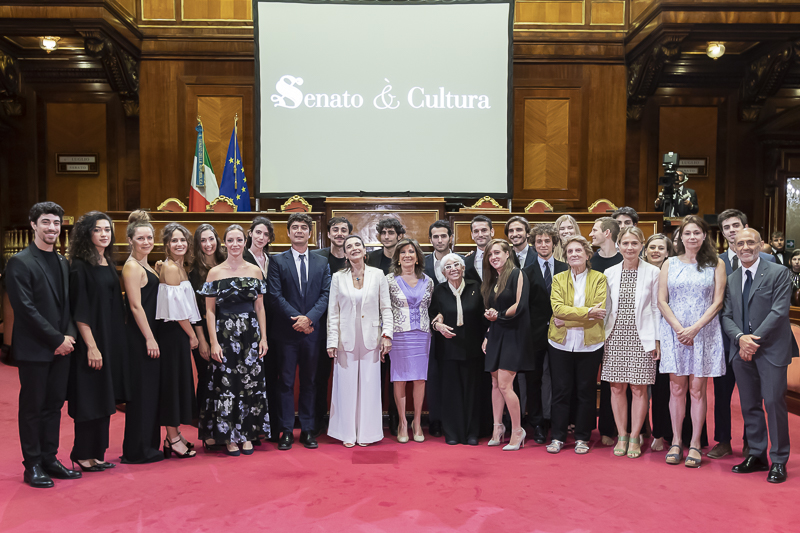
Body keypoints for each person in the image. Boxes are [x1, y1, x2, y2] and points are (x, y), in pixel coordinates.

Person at [5, 202, 82, 488]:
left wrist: (68, 338)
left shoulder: (62, 262)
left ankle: (50, 458)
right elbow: (25, 310)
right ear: (34, 225)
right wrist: (56, 339)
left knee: (53, 407)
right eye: (46, 222)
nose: (52, 228)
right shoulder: (20, 262)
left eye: (56, 223)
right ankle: (33, 464)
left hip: (62, 348)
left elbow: (68, 306)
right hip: (35, 349)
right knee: (33, 407)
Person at [722, 228, 797, 483]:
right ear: (734, 246)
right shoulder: (732, 278)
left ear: (760, 245)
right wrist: (740, 339)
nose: (745, 247)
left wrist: (752, 341)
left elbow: (779, 312)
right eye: (740, 243)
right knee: (749, 404)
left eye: (750, 242)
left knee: (774, 402)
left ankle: (778, 459)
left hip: (771, 349)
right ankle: (757, 453)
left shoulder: (778, 272)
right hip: (741, 349)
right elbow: (727, 316)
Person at [658, 215, 726, 468]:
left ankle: (695, 443)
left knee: (697, 390)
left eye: (697, 232)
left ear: (704, 236)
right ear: (680, 237)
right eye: (687, 233)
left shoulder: (715, 263)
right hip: (675, 333)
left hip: (703, 332)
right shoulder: (670, 263)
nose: (692, 237)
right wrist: (678, 329)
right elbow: (662, 300)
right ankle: (676, 441)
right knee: (676, 389)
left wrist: (694, 329)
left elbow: (718, 302)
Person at [709, 209, 775, 460]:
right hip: (725, 339)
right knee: (722, 394)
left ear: (745, 226)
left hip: (758, 342)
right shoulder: (716, 262)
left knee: (752, 395)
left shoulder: (769, 261)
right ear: (723, 233)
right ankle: (723, 441)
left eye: (735, 225)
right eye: (726, 228)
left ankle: (752, 443)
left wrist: (755, 338)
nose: (732, 230)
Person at [198, 225, 269, 456]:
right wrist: (213, 342)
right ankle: (229, 435)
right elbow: (209, 311)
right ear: (224, 243)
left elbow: (260, 307)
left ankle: (247, 434)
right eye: (231, 240)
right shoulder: (215, 273)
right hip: (224, 335)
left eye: (239, 239)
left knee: (249, 384)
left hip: (250, 335)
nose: (236, 244)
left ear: (244, 241)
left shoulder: (255, 271)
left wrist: (263, 338)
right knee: (227, 386)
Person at [66, 211, 129, 472]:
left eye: (107, 230)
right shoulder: (80, 265)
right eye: (98, 230)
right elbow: (79, 310)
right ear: (86, 233)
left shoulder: (106, 260)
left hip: (110, 339)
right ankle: (82, 454)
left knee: (105, 397)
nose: (104, 234)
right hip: (91, 342)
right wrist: (91, 346)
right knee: (89, 397)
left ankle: (97, 453)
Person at [268, 213, 331, 450]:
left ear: (310, 233)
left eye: (304, 227)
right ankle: (285, 431)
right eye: (295, 227)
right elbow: (274, 295)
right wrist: (298, 319)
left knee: (310, 382)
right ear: (288, 232)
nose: (299, 231)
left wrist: (310, 319)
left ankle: (307, 430)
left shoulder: (321, 261)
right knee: (284, 382)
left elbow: (326, 294)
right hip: (286, 333)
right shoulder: (277, 261)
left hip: (313, 333)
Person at [326, 235, 393, 447]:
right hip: (345, 338)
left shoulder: (378, 274)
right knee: (345, 386)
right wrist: (332, 341)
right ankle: (347, 433)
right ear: (344, 253)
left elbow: (386, 308)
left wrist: (387, 335)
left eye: (357, 245)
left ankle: (368, 434)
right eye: (349, 247)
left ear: (365, 251)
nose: (354, 249)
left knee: (369, 386)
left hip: (372, 338)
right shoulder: (338, 277)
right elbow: (333, 312)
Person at [602, 227, 661, 459]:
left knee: (638, 387)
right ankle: (622, 434)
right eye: (625, 243)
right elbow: (606, 308)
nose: (629, 248)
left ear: (642, 245)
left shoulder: (653, 272)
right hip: (615, 335)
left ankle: (635, 436)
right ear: (618, 245)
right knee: (616, 387)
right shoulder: (609, 272)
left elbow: (656, 307)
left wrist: (657, 339)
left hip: (642, 337)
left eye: (634, 243)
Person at [546, 236, 607, 455]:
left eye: (578, 251)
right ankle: (558, 437)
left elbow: (598, 313)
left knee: (586, 392)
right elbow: (557, 310)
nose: (574, 254)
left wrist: (571, 318)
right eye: (570, 251)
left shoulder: (599, 279)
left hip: (589, 345)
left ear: (587, 254)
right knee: (561, 391)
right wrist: (586, 313)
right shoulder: (559, 279)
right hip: (560, 344)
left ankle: (582, 437)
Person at [120, 211, 164, 464]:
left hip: (151, 335)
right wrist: (149, 338)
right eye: (140, 238)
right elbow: (136, 306)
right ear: (130, 239)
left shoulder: (147, 264)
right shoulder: (131, 267)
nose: (146, 242)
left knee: (150, 394)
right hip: (140, 338)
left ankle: (149, 446)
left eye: (149, 237)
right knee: (141, 395)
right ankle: (137, 450)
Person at [481, 239, 532, 452]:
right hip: (496, 333)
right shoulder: (493, 279)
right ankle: (498, 428)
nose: (494, 257)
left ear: (507, 254)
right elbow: (492, 310)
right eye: (490, 254)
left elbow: (519, 305)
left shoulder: (517, 274)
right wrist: (487, 333)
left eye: (497, 253)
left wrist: (498, 316)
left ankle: (518, 430)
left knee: (504, 385)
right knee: (494, 384)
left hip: (514, 334)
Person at [430, 254, 485, 445]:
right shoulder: (439, 290)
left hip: (473, 348)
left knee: (472, 392)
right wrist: (438, 326)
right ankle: (453, 433)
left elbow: (483, 316)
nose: (452, 268)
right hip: (448, 349)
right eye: (448, 266)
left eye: (456, 265)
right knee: (451, 392)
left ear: (463, 268)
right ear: (443, 272)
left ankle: (471, 433)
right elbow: (433, 317)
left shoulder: (475, 287)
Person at [156, 222, 201, 459]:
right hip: (173, 334)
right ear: (166, 245)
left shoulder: (180, 267)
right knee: (172, 386)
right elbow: (176, 309)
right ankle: (172, 438)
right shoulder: (171, 268)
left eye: (183, 240)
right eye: (174, 240)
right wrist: (193, 334)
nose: (179, 244)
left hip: (179, 334)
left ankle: (174, 434)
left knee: (180, 383)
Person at [386, 239, 434, 443]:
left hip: (422, 334)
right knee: (399, 378)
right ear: (397, 258)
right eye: (403, 252)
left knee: (419, 379)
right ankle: (403, 422)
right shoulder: (388, 280)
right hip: (398, 334)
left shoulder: (429, 281)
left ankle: (416, 422)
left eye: (411, 252)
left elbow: (431, 307)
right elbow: (384, 310)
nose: (407, 255)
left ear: (417, 257)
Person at [523, 224, 567, 444]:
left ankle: (558, 423)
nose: (543, 245)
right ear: (534, 244)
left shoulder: (565, 268)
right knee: (535, 381)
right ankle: (538, 423)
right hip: (534, 334)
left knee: (561, 380)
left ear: (554, 243)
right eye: (539, 241)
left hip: (563, 332)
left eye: (547, 241)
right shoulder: (526, 272)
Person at [312, 216, 352, 437]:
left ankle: (347, 421)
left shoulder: (358, 259)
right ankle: (317, 422)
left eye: (343, 230)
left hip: (349, 328)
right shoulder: (317, 258)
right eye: (335, 230)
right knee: (319, 376)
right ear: (328, 234)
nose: (339, 233)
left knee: (348, 376)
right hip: (320, 326)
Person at [188, 224, 226, 449]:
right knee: (207, 382)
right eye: (203, 240)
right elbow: (194, 311)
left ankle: (225, 427)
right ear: (198, 244)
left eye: (211, 239)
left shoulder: (226, 265)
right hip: (203, 333)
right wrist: (202, 340)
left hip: (226, 333)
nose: (208, 244)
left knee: (225, 383)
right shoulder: (194, 273)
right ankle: (208, 431)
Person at [367, 216, 405, 434]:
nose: (387, 236)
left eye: (391, 233)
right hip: (376, 325)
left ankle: (395, 419)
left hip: (402, 325)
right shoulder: (371, 259)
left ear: (399, 235)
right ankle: (374, 419)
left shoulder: (407, 257)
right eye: (384, 233)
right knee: (377, 374)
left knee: (396, 375)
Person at [589, 216, 623, 445]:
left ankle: (611, 429)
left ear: (607, 233)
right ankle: (593, 428)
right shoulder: (591, 260)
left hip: (618, 330)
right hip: (592, 328)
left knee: (615, 382)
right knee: (591, 379)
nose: (591, 234)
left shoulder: (623, 259)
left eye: (594, 230)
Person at [423, 219, 454, 438]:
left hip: (456, 328)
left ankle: (454, 418)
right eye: (435, 236)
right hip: (429, 328)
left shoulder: (463, 262)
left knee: (454, 374)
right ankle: (435, 419)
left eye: (443, 236)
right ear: (431, 239)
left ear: (450, 237)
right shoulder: (421, 264)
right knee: (433, 374)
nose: (440, 240)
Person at [464, 215, 494, 282]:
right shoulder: (466, 261)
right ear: (472, 235)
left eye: (484, 230)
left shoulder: (505, 256)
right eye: (476, 231)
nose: (480, 235)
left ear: (492, 232)